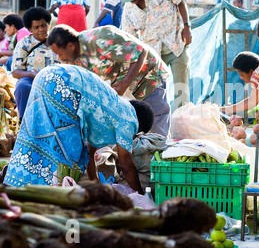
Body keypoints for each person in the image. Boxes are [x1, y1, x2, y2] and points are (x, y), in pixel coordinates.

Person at [2, 63, 154, 195]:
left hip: (46, 77)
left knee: (35, 140)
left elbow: (89, 153)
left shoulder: (112, 110)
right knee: (67, 153)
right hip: (62, 86)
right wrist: (140, 195)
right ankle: (51, 195)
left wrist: (96, 186)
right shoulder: (129, 119)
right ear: (139, 130)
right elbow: (126, 165)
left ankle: (14, 186)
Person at [47, 24, 171, 137]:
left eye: (60, 54)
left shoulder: (100, 38)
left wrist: (126, 81)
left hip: (148, 79)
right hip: (130, 93)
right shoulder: (75, 60)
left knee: (157, 132)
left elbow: (141, 52)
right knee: (137, 137)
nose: (59, 58)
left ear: (70, 46)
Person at [119, 0, 192, 112]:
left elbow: (180, 2)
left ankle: (180, 123)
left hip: (176, 44)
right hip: (153, 55)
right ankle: (160, 125)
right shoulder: (128, 10)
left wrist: (187, 27)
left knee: (181, 90)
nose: (134, 1)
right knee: (155, 93)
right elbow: (131, 40)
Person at [11, 7, 60, 121]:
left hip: (55, 80)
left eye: (43, 25)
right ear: (30, 29)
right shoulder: (25, 43)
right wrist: (33, 75)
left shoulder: (57, 40)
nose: (41, 30)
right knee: (22, 86)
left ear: (48, 24)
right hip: (31, 79)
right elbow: (15, 71)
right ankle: (24, 121)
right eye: (36, 27)